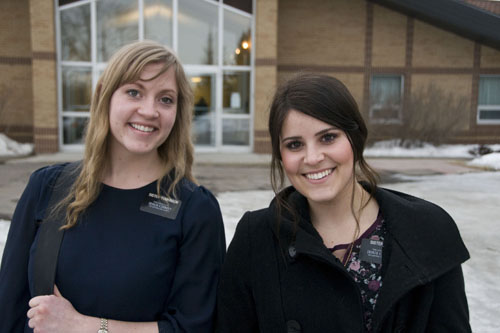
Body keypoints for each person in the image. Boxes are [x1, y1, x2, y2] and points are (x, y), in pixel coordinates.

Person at [0, 40, 226, 332]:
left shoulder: (195, 210)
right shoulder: (48, 187)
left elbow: (194, 327)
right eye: (134, 92)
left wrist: (85, 326)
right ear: (104, 96)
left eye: (165, 99)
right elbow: (8, 308)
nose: (149, 110)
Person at [216, 73, 471, 332]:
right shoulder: (256, 238)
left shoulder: (428, 230)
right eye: (295, 144)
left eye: (328, 137)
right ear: (281, 156)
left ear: (355, 138)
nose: (313, 157)